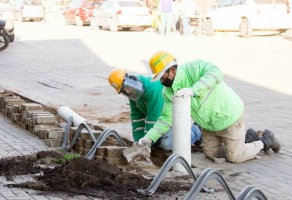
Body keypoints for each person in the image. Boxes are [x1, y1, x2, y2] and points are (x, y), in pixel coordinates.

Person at [137, 51, 281, 163]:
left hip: (229, 116)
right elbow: (166, 119)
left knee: (235, 157)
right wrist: (148, 139)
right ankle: (247, 138)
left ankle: (265, 141)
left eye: (162, 76)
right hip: (209, 126)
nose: (161, 80)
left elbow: (216, 73)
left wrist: (194, 90)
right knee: (212, 155)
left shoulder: (194, 68)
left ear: (172, 70)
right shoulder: (168, 92)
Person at [108, 68, 202, 151]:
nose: (127, 91)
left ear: (131, 79)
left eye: (126, 87)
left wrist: (147, 143)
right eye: (123, 91)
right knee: (156, 142)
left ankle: (197, 130)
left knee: (166, 143)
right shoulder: (134, 93)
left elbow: (153, 118)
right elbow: (137, 119)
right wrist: (137, 141)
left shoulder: (153, 88)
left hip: (172, 117)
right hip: (160, 122)